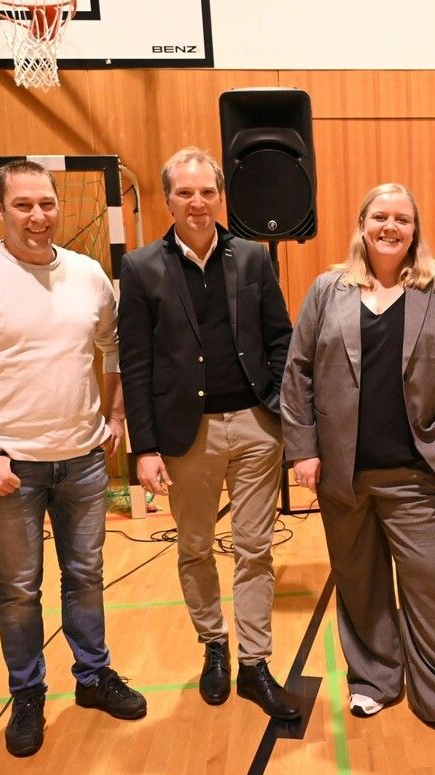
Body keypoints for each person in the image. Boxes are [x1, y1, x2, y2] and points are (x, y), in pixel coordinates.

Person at [0, 159, 146, 758]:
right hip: (7, 468)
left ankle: (93, 677)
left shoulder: (88, 275)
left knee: (86, 575)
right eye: (22, 205)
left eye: (46, 203)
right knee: (19, 589)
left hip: (83, 461)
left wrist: (115, 416)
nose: (38, 216)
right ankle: (27, 694)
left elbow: (116, 347)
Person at [281, 183, 435, 753]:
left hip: (415, 474)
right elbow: (297, 372)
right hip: (343, 475)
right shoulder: (329, 289)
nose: (390, 227)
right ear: (362, 224)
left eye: (402, 218)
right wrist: (303, 449)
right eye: (380, 217)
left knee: (429, 587)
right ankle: (373, 678)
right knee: (359, 582)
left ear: (415, 229)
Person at [117, 147, 298, 720]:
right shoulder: (141, 267)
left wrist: (277, 408)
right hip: (184, 434)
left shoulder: (252, 258)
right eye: (185, 193)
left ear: (220, 197)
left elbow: (281, 337)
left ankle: (255, 662)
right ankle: (214, 645)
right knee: (194, 547)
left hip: (255, 427)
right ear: (168, 200)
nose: (197, 202)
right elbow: (135, 363)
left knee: (255, 549)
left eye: (207, 192)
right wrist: (145, 448)